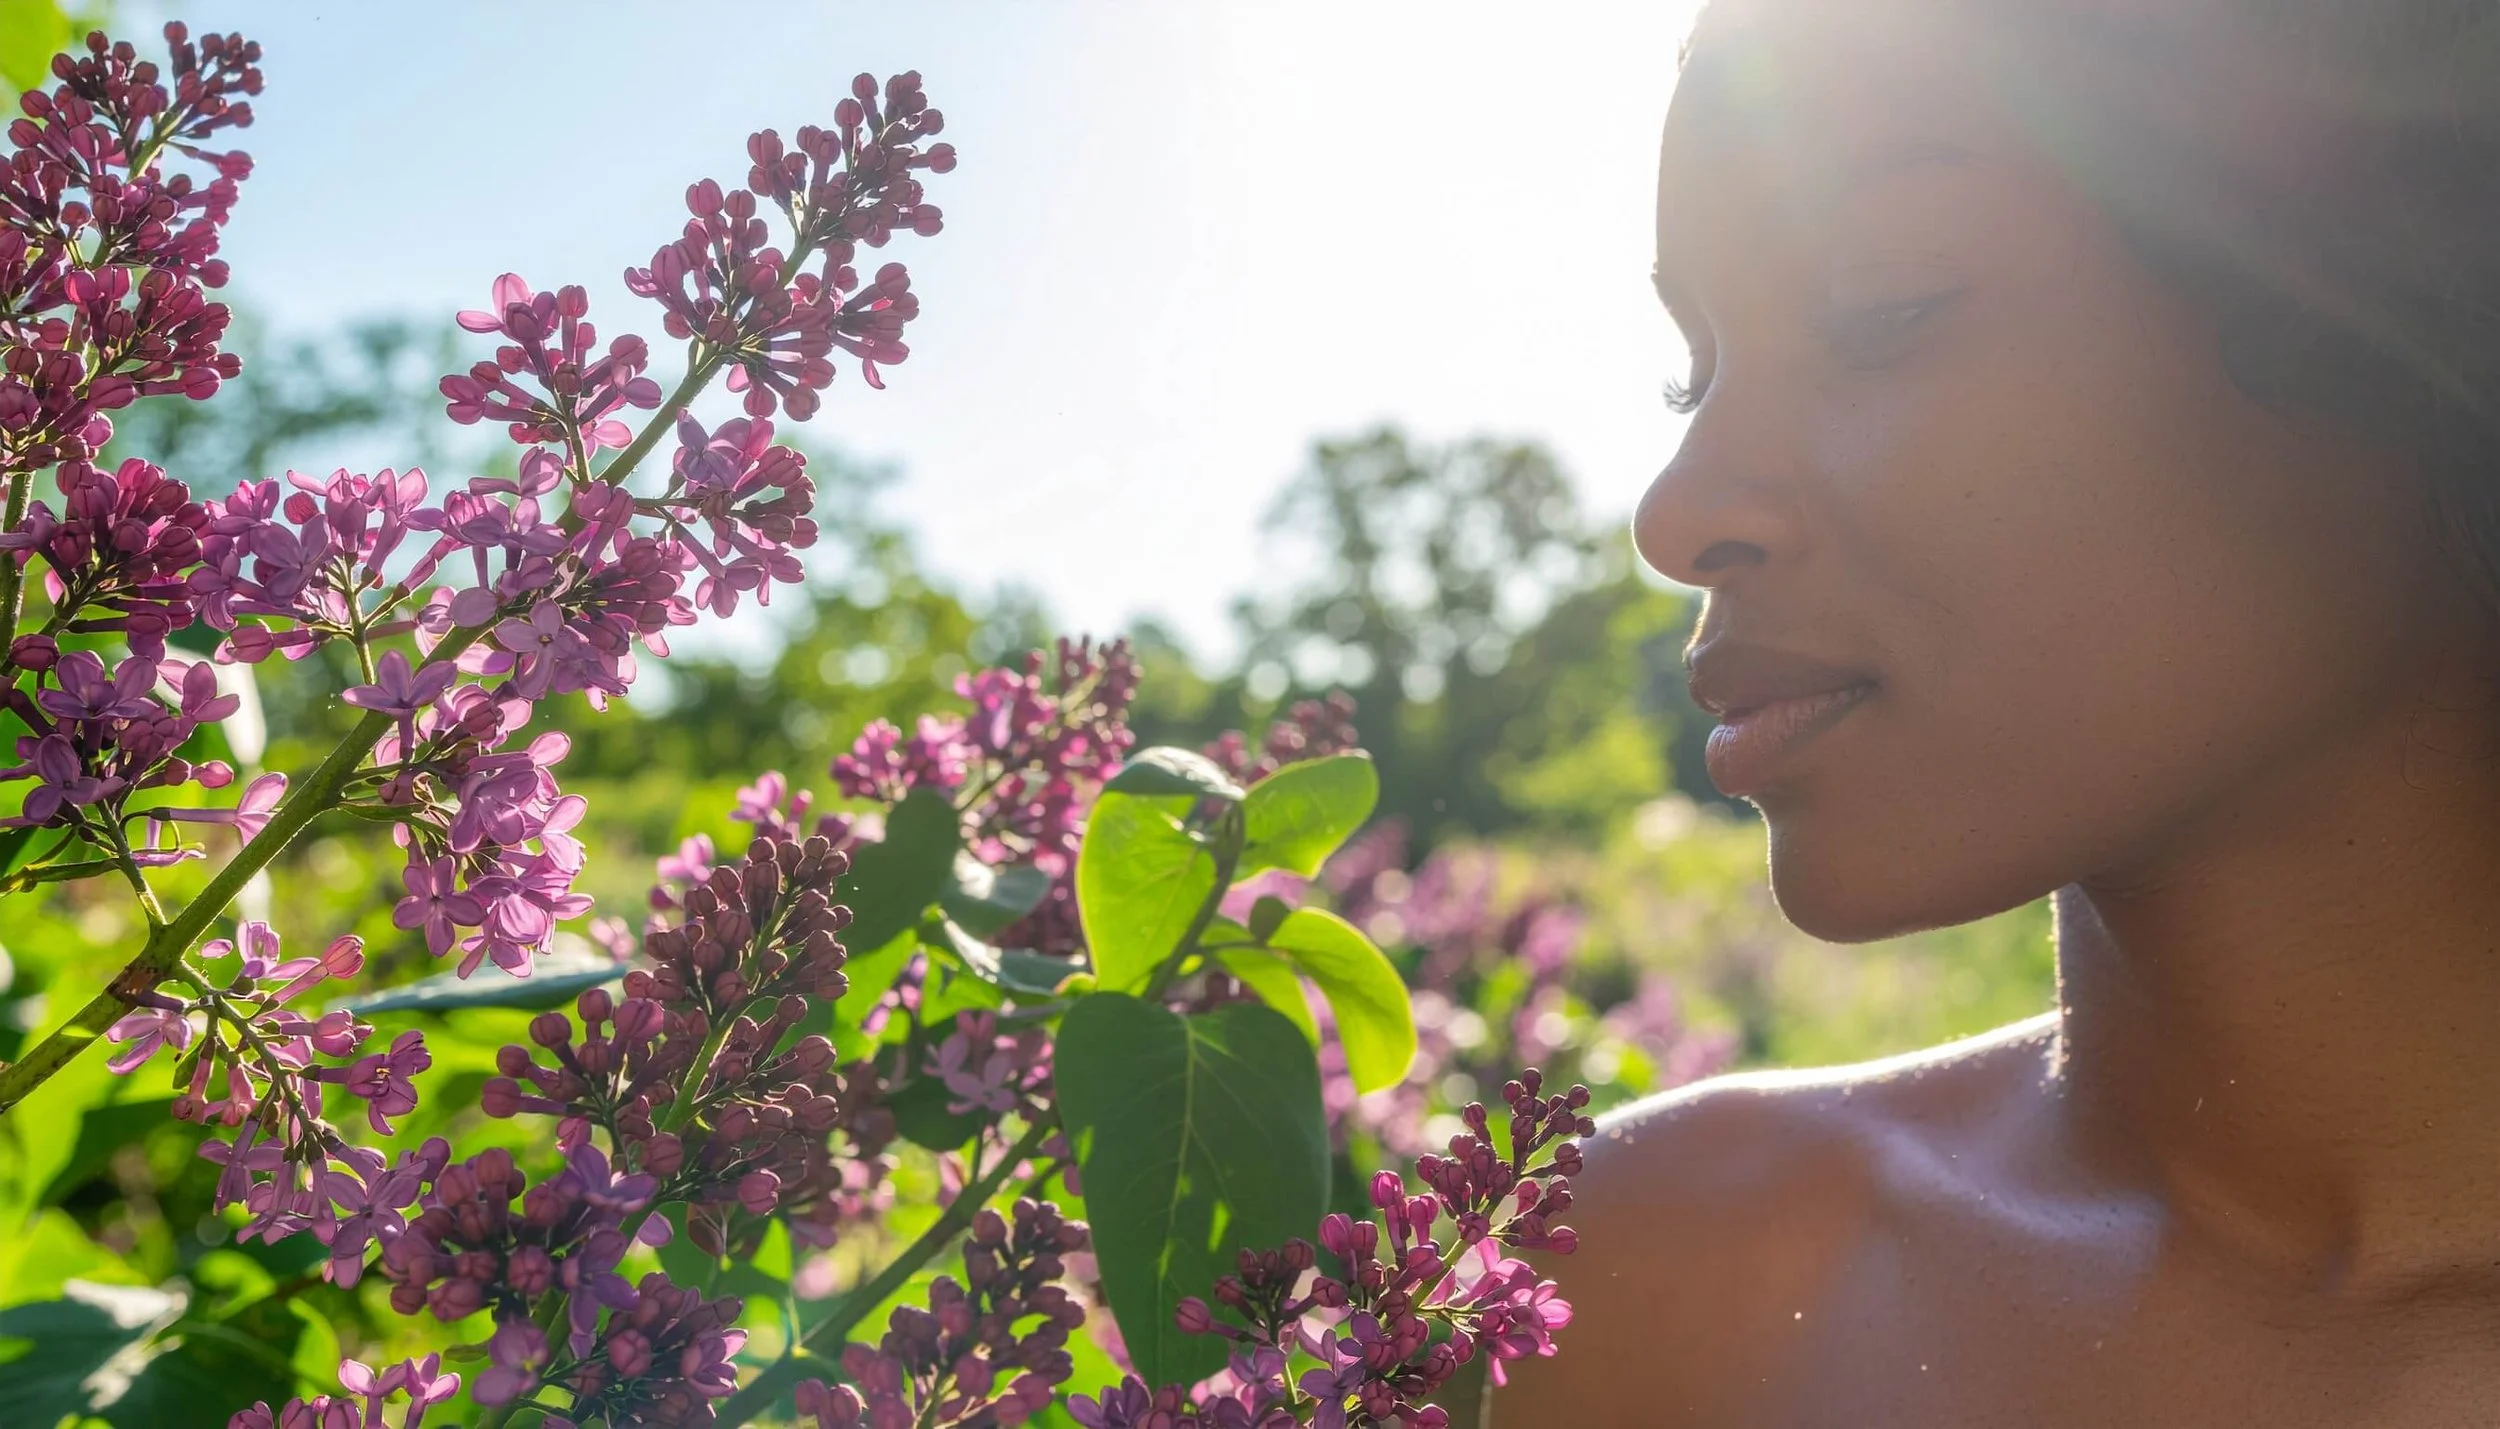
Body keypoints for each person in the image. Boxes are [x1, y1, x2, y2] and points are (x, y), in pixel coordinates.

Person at [1500, 0, 2500, 1423]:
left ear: (2395, 296)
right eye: (1696, 370)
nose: (1676, 513)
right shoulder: (1656, 1276)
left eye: (1879, 309)